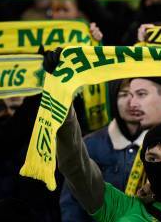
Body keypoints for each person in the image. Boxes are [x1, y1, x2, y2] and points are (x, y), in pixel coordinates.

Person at [60, 80, 145, 221]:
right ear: (112, 98)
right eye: (124, 94)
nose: (132, 102)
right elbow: (72, 201)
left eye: (140, 94)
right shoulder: (90, 144)